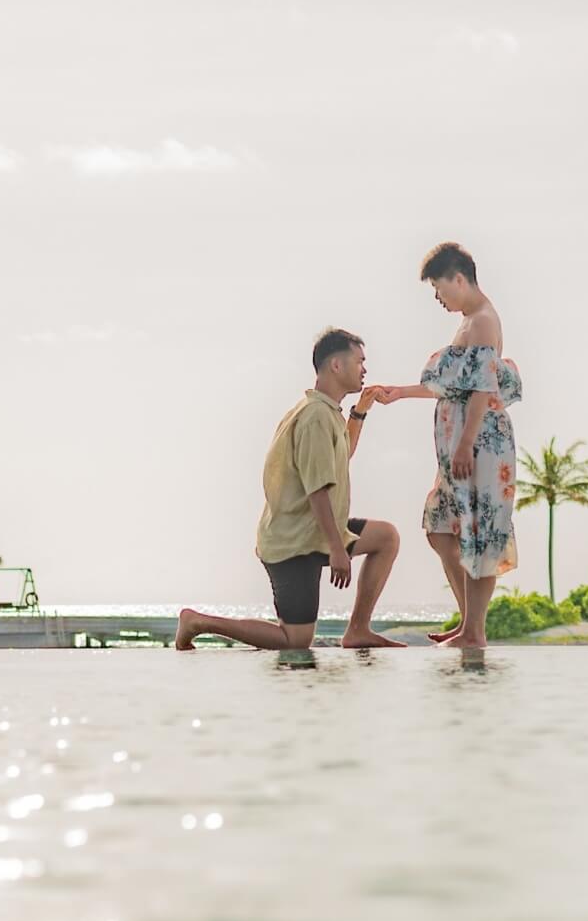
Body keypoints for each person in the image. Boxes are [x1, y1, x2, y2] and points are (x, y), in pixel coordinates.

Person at [176, 328, 404, 651]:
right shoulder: (315, 418)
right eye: (359, 361)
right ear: (336, 366)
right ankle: (198, 621)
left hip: (316, 533)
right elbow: (317, 491)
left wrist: (361, 410)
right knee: (295, 640)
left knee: (386, 537)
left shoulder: (327, 412)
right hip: (293, 543)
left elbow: (343, 453)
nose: (365, 369)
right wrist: (338, 550)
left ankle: (358, 629)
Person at [374, 243, 522, 649]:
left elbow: (480, 389)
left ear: (459, 278)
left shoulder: (484, 322)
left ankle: (474, 632)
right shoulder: (470, 321)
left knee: (479, 531)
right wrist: (399, 393)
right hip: (461, 446)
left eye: (440, 288)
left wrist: (465, 445)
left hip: (479, 447)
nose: (438, 298)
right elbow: (451, 386)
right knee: (441, 529)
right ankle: (468, 622)